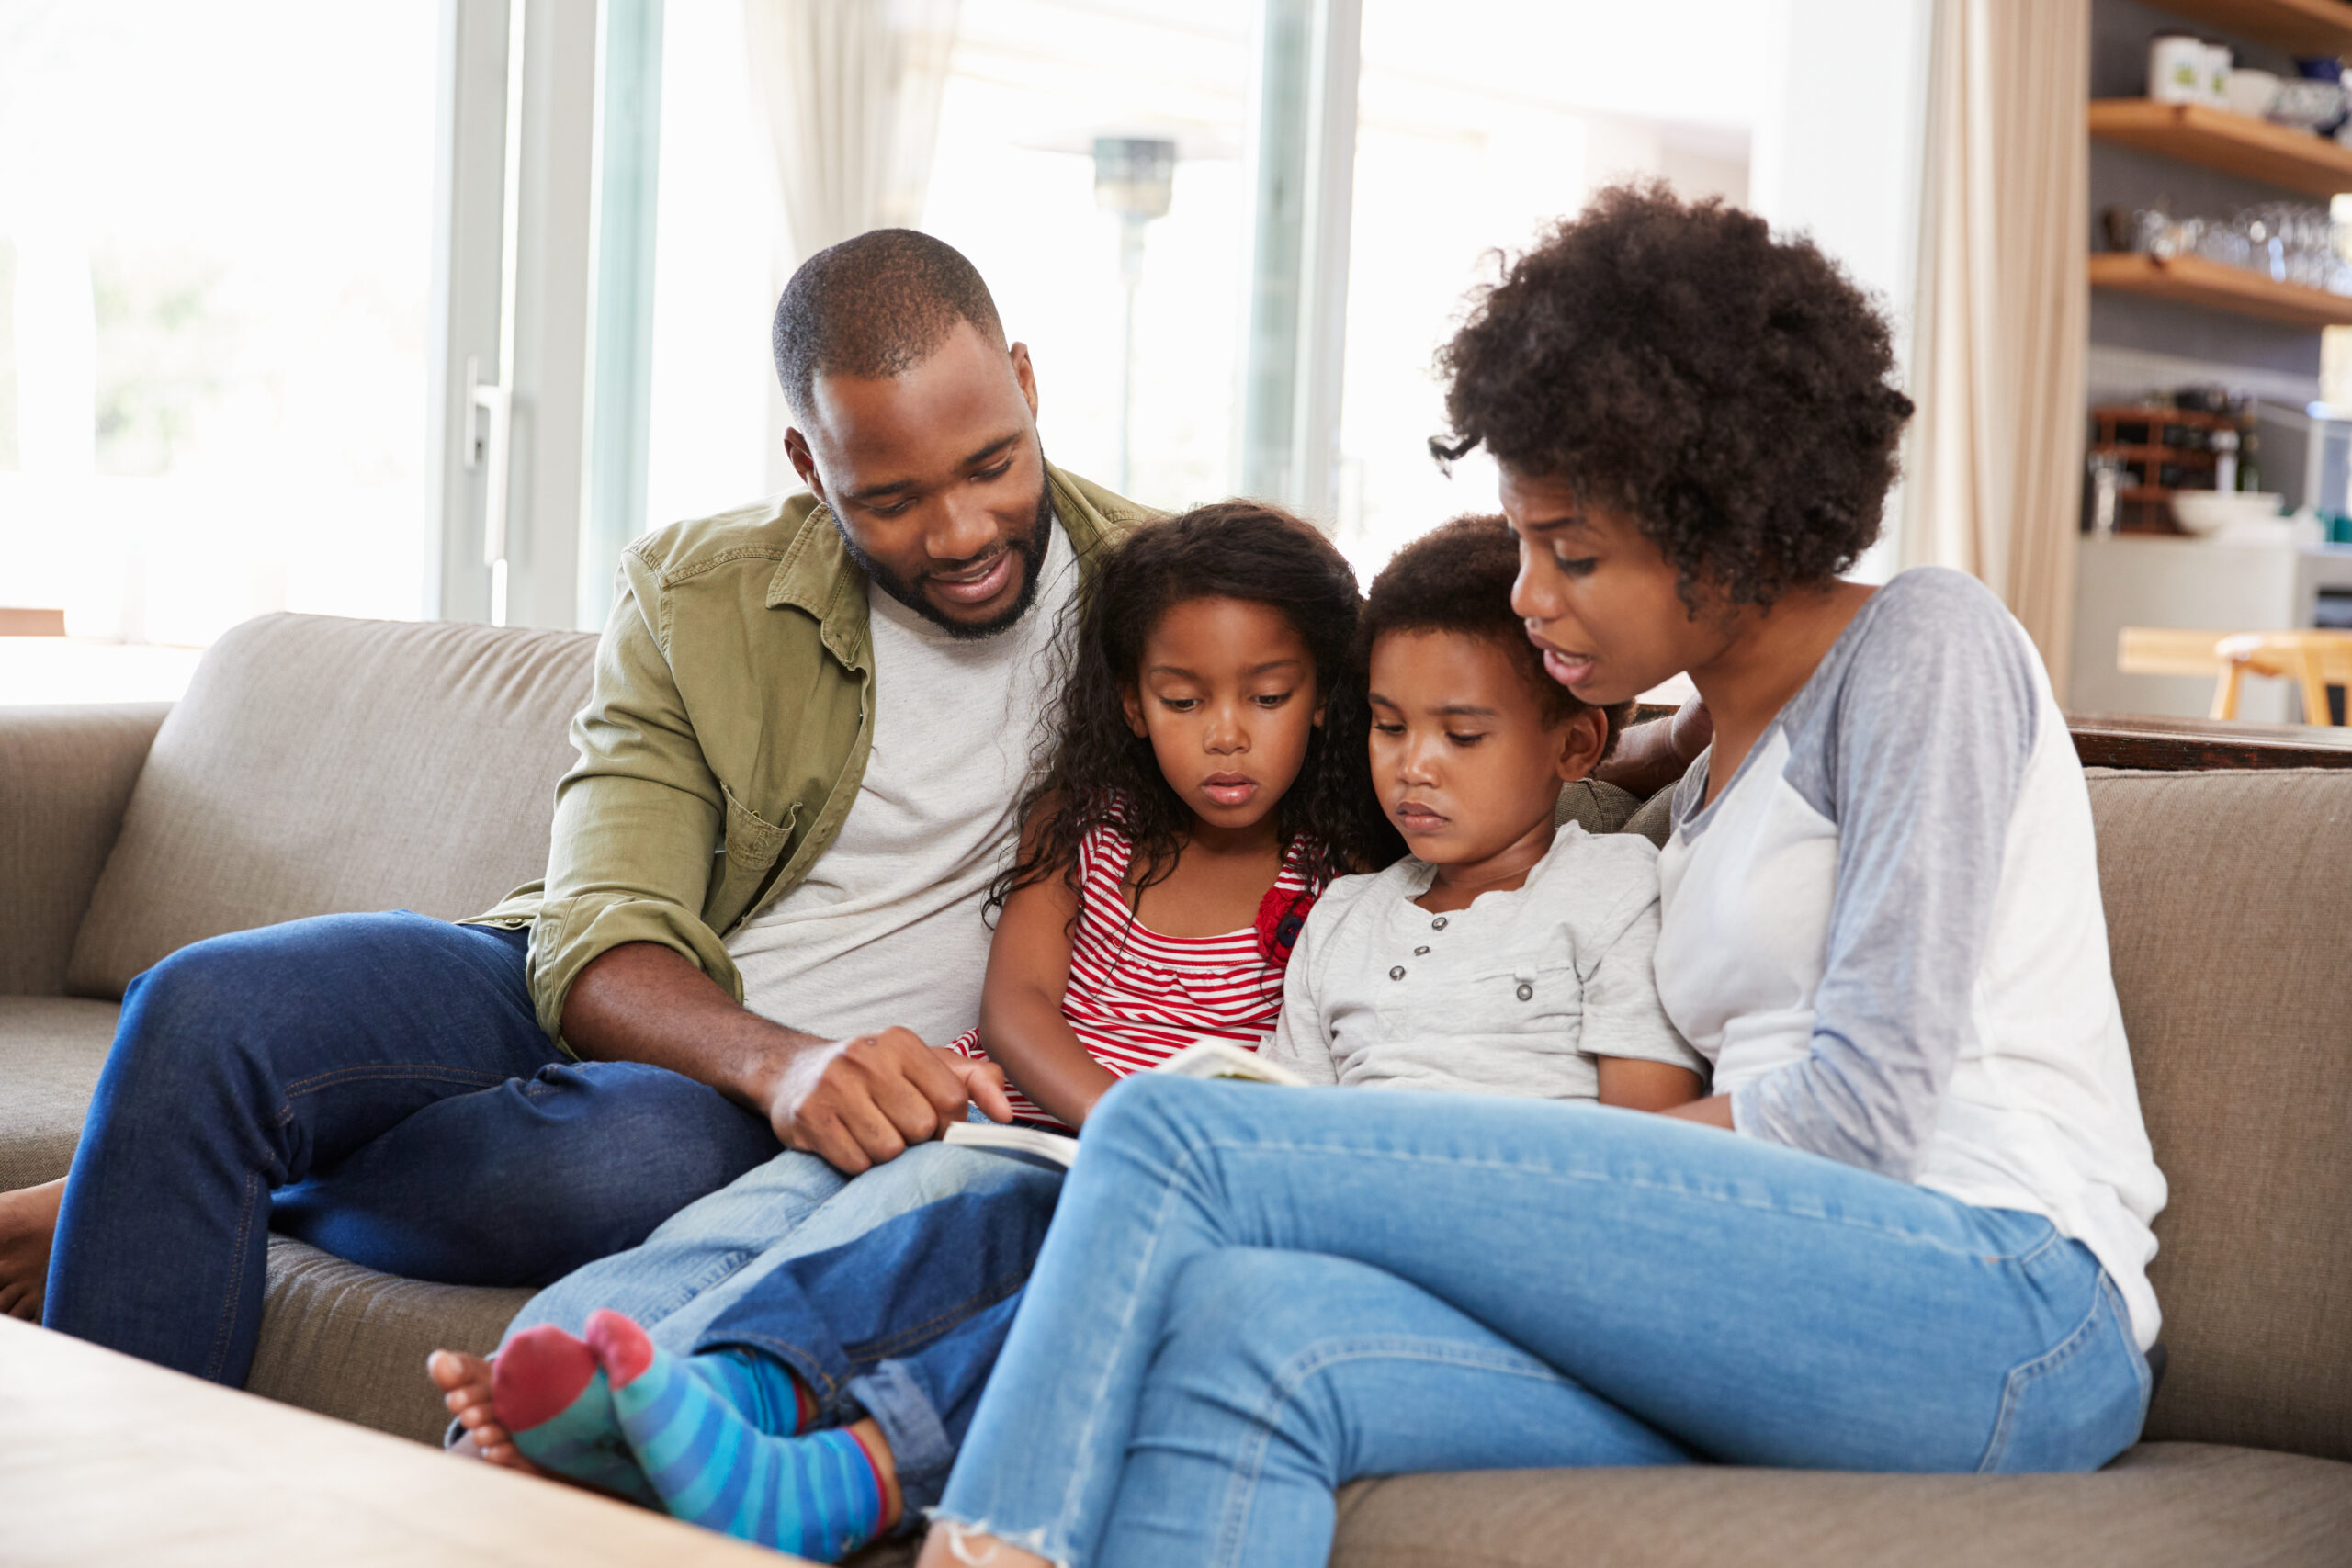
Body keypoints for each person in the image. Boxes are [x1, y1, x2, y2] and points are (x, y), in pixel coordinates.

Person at [916, 185, 2169, 1568]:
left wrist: (1477, 1179)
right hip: (1765, 1307)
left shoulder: (1931, 645)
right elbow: (1535, 767)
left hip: (1998, 1299)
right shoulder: (1704, 762)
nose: (1528, 592)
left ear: (1730, 526)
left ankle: (979, 1547)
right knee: (1249, 1336)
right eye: (1522, 538)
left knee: (1176, 1134)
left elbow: (1864, 1106)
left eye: (1572, 553)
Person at [430, 503, 1705, 1561]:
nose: (1416, 764)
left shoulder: (1541, 881)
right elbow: (1267, 1078)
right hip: (1081, 1139)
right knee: (822, 1199)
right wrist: (1141, 1133)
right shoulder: (1355, 909)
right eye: (1394, 727)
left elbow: (1636, 1124)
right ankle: (643, 1385)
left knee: (1026, 1237)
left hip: (1251, 1198)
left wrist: (1688, 727)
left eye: (1269, 694)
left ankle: (784, 1437)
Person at [5, 229, 1144, 1382]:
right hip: (581, 998)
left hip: (703, 1128)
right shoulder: (704, 595)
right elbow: (601, 930)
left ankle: (182, 1174)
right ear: (808, 463)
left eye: (992, 464)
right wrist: (786, 1063)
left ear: (1028, 384)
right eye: (889, 499)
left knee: (627, 1159)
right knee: (202, 1007)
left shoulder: (1166, 603)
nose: (959, 534)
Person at [1260, 514, 1703, 1109]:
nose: (1413, 766)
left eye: (1463, 734)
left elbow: (1648, 1141)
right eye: (1389, 726)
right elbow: (1285, 1128)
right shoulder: (1340, 920)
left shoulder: (1620, 890)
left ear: (1573, 745)